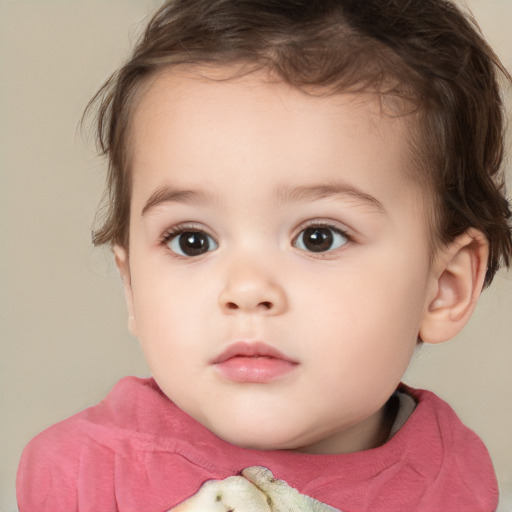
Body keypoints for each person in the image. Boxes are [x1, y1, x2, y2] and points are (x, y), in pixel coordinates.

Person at [16, 0, 512, 510]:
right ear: (132, 288)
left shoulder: (454, 481)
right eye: (192, 241)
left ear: (444, 286)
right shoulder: (83, 476)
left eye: (319, 237)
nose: (247, 289)